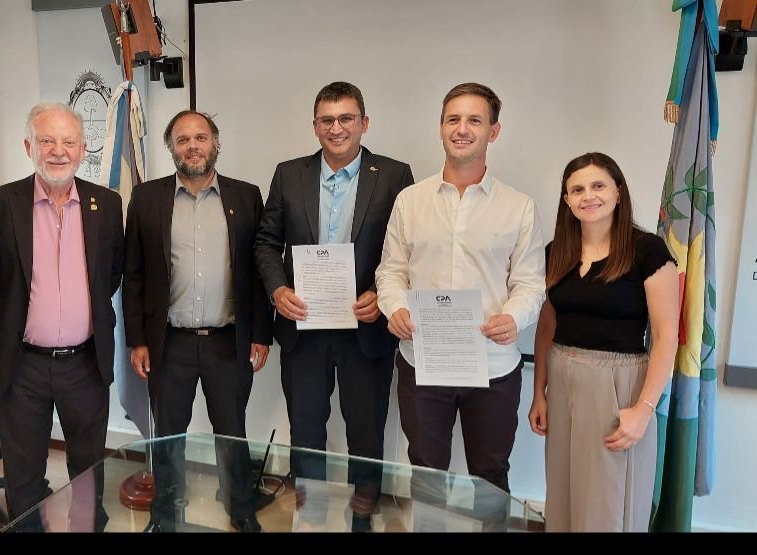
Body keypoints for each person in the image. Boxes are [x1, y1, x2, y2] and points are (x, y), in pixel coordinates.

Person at [255, 81, 414, 530]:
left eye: (346, 118)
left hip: (366, 327)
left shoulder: (395, 175)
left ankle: (363, 515)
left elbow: (408, 250)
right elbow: (266, 242)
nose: (337, 128)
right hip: (303, 326)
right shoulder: (289, 174)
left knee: (366, 430)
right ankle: (310, 516)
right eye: (327, 120)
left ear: (364, 123)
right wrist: (278, 290)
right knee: (306, 429)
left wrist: (384, 297)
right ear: (314, 126)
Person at [376, 83, 545, 495]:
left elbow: (529, 283)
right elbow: (391, 272)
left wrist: (514, 317)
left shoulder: (519, 206)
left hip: (492, 367)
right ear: (441, 128)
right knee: (427, 475)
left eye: (474, 120)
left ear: (493, 131)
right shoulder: (410, 201)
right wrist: (394, 308)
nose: (462, 129)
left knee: (490, 475)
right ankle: (430, 524)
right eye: (453, 119)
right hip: (423, 361)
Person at [0, 102, 124, 530]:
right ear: (29, 147)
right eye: (46, 141)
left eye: (68, 141)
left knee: (88, 468)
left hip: (85, 363)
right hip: (22, 364)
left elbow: (111, 275)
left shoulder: (107, 204)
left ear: (82, 149)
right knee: (22, 473)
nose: (58, 151)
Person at [123, 110, 273, 532]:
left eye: (201, 137)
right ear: (171, 148)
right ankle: (166, 514)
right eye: (183, 139)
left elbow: (258, 271)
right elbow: (133, 275)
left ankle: (240, 507)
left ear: (215, 143)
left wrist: (262, 333)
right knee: (169, 435)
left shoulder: (246, 196)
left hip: (229, 340)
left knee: (232, 431)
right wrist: (137, 340)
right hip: (169, 343)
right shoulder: (147, 198)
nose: (193, 146)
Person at [528, 152, 678, 532]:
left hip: (618, 385)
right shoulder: (556, 252)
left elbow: (666, 336)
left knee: (607, 504)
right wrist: (539, 393)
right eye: (577, 189)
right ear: (566, 199)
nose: (588, 196)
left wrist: (644, 409)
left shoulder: (648, 251)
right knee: (563, 495)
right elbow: (547, 326)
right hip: (561, 377)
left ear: (618, 191)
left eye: (598, 186)